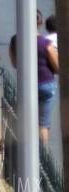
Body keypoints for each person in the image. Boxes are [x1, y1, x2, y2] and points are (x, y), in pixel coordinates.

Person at [10, 12, 59, 145]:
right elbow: (57, 67)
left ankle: (22, 149)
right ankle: (42, 158)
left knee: (24, 118)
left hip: (26, 85)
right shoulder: (46, 43)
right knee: (43, 124)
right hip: (46, 85)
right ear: (41, 23)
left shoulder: (15, 40)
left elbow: (15, 64)